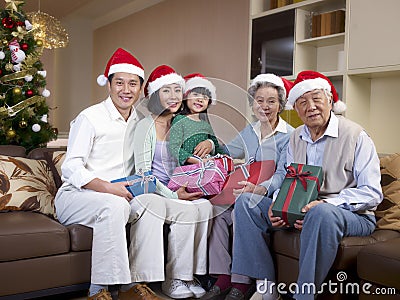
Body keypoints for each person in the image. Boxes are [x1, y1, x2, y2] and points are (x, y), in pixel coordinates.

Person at [231, 70, 383, 300]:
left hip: (352, 215)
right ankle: (266, 288)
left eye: (316, 99)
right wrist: (277, 204)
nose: (310, 106)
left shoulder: (355, 135)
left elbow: (372, 193)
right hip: (301, 210)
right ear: (296, 109)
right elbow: (288, 179)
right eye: (302, 102)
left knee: (321, 212)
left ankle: (304, 296)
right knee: (246, 202)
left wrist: (324, 203)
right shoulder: (296, 137)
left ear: (330, 101)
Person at [54, 48, 161, 300]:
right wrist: (108, 188)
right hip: (76, 196)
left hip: (122, 194)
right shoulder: (90, 117)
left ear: (140, 87)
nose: (126, 89)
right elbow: (71, 167)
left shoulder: (141, 121)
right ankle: (98, 290)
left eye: (133, 83)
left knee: (153, 204)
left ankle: (135, 284)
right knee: (114, 206)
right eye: (120, 83)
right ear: (109, 85)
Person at [201, 74, 295, 300]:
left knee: (244, 204)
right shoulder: (250, 131)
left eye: (271, 101)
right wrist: (211, 144)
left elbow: (284, 174)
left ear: (280, 105)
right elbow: (229, 151)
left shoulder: (290, 135)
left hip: (268, 197)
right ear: (253, 104)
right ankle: (223, 277)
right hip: (244, 193)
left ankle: (242, 283)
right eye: (260, 100)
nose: (265, 106)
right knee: (216, 212)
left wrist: (260, 188)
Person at [130, 65, 214, 299]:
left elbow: (208, 145)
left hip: (181, 188)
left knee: (206, 207)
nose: (174, 96)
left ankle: (189, 275)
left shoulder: (183, 122)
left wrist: (210, 144)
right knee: (187, 210)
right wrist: (173, 195)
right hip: (156, 192)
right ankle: (174, 278)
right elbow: (143, 173)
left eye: (178, 90)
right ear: (156, 95)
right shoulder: (145, 126)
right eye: (166, 91)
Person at [169, 73, 226, 165]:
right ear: (186, 97)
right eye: (195, 94)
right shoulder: (179, 120)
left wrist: (225, 157)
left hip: (206, 169)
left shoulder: (206, 125)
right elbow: (174, 147)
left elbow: (217, 147)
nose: (200, 99)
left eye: (205, 97)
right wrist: (196, 160)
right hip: (187, 172)